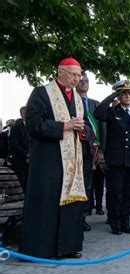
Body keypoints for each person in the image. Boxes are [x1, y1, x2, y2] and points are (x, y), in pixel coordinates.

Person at [19, 57, 88, 259]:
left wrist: (82, 131)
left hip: (72, 161)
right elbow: (33, 124)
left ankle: (68, 246)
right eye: (74, 74)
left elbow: (80, 125)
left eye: (79, 74)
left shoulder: (76, 97)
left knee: (69, 202)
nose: (77, 79)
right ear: (60, 72)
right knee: (47, 201)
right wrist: (64, 126)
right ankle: (42, 249)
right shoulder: (41, 93)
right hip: (48, 160)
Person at [94, 79, 130, 235]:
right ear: (119, 95)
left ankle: (125, 221)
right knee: (115, 192)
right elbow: (98, 113)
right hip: (116, 159)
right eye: (124, 93)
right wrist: (112, 97)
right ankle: (114, 221)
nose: (128, 96)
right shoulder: (112, 112)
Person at [76, 71, 106, 217]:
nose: (83, 83)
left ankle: (84, 214)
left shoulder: (96, 104)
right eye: (81, 80)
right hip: (76, 150)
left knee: (90, 184)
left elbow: (102, 128)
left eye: (86, 81)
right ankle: (80, 214)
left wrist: (101, 150)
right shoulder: (70, 102)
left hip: (93, 151)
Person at [9, 106, 30, 191]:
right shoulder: (15, 128)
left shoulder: (34, 126)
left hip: (34, 160)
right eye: (24, 113)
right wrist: (27, 154)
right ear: (21, 115)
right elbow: (14, 145)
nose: (26, 115)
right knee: (24, 185)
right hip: (21, 162)